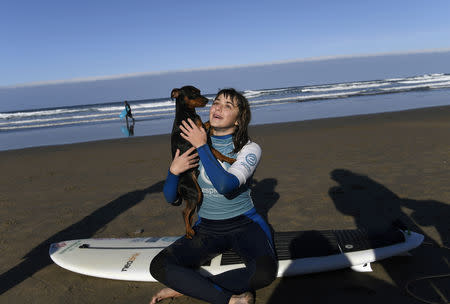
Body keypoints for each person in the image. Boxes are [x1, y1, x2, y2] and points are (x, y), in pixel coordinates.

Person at [149, 88, 278, 304]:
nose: (218, 107)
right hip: (208, 229)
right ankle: (228, 298)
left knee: (265, 273)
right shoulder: (190, 142)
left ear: (239, 119)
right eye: (217, 102)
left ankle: (189, 287)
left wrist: (202, 145)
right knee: (159, 266)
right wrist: (173, 172)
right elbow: (172, 198)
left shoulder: (249, 149)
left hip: (245, 225)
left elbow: (225, 186)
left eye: (228, 106)